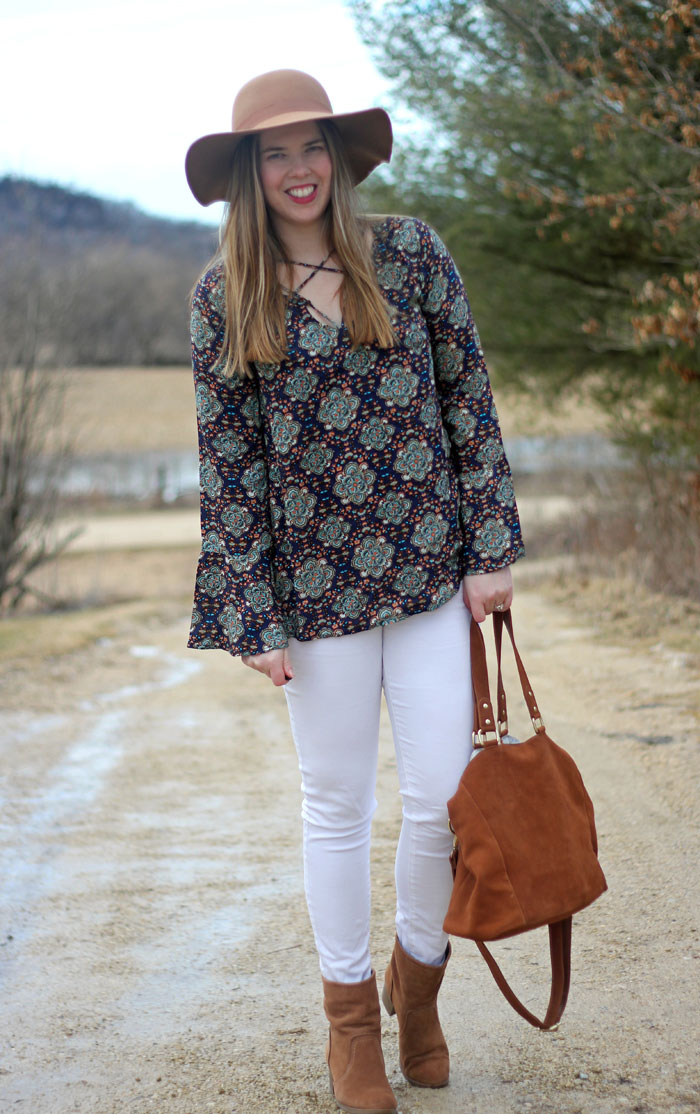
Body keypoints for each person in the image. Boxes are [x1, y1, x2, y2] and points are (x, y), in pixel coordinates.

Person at [185, 69, 524, 1114]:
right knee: (336, 807)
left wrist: (490, 547)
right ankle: (350, 1030)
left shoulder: (410, 252)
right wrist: (250, 608)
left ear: (339, 153)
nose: (297, 169)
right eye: (274, 153)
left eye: (311, 146)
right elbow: (229, 463)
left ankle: (416, 986)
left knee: (439, 800)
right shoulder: (222, 297)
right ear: (250, 172)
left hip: (429, 573)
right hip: (311, 593)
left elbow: (468, 396)